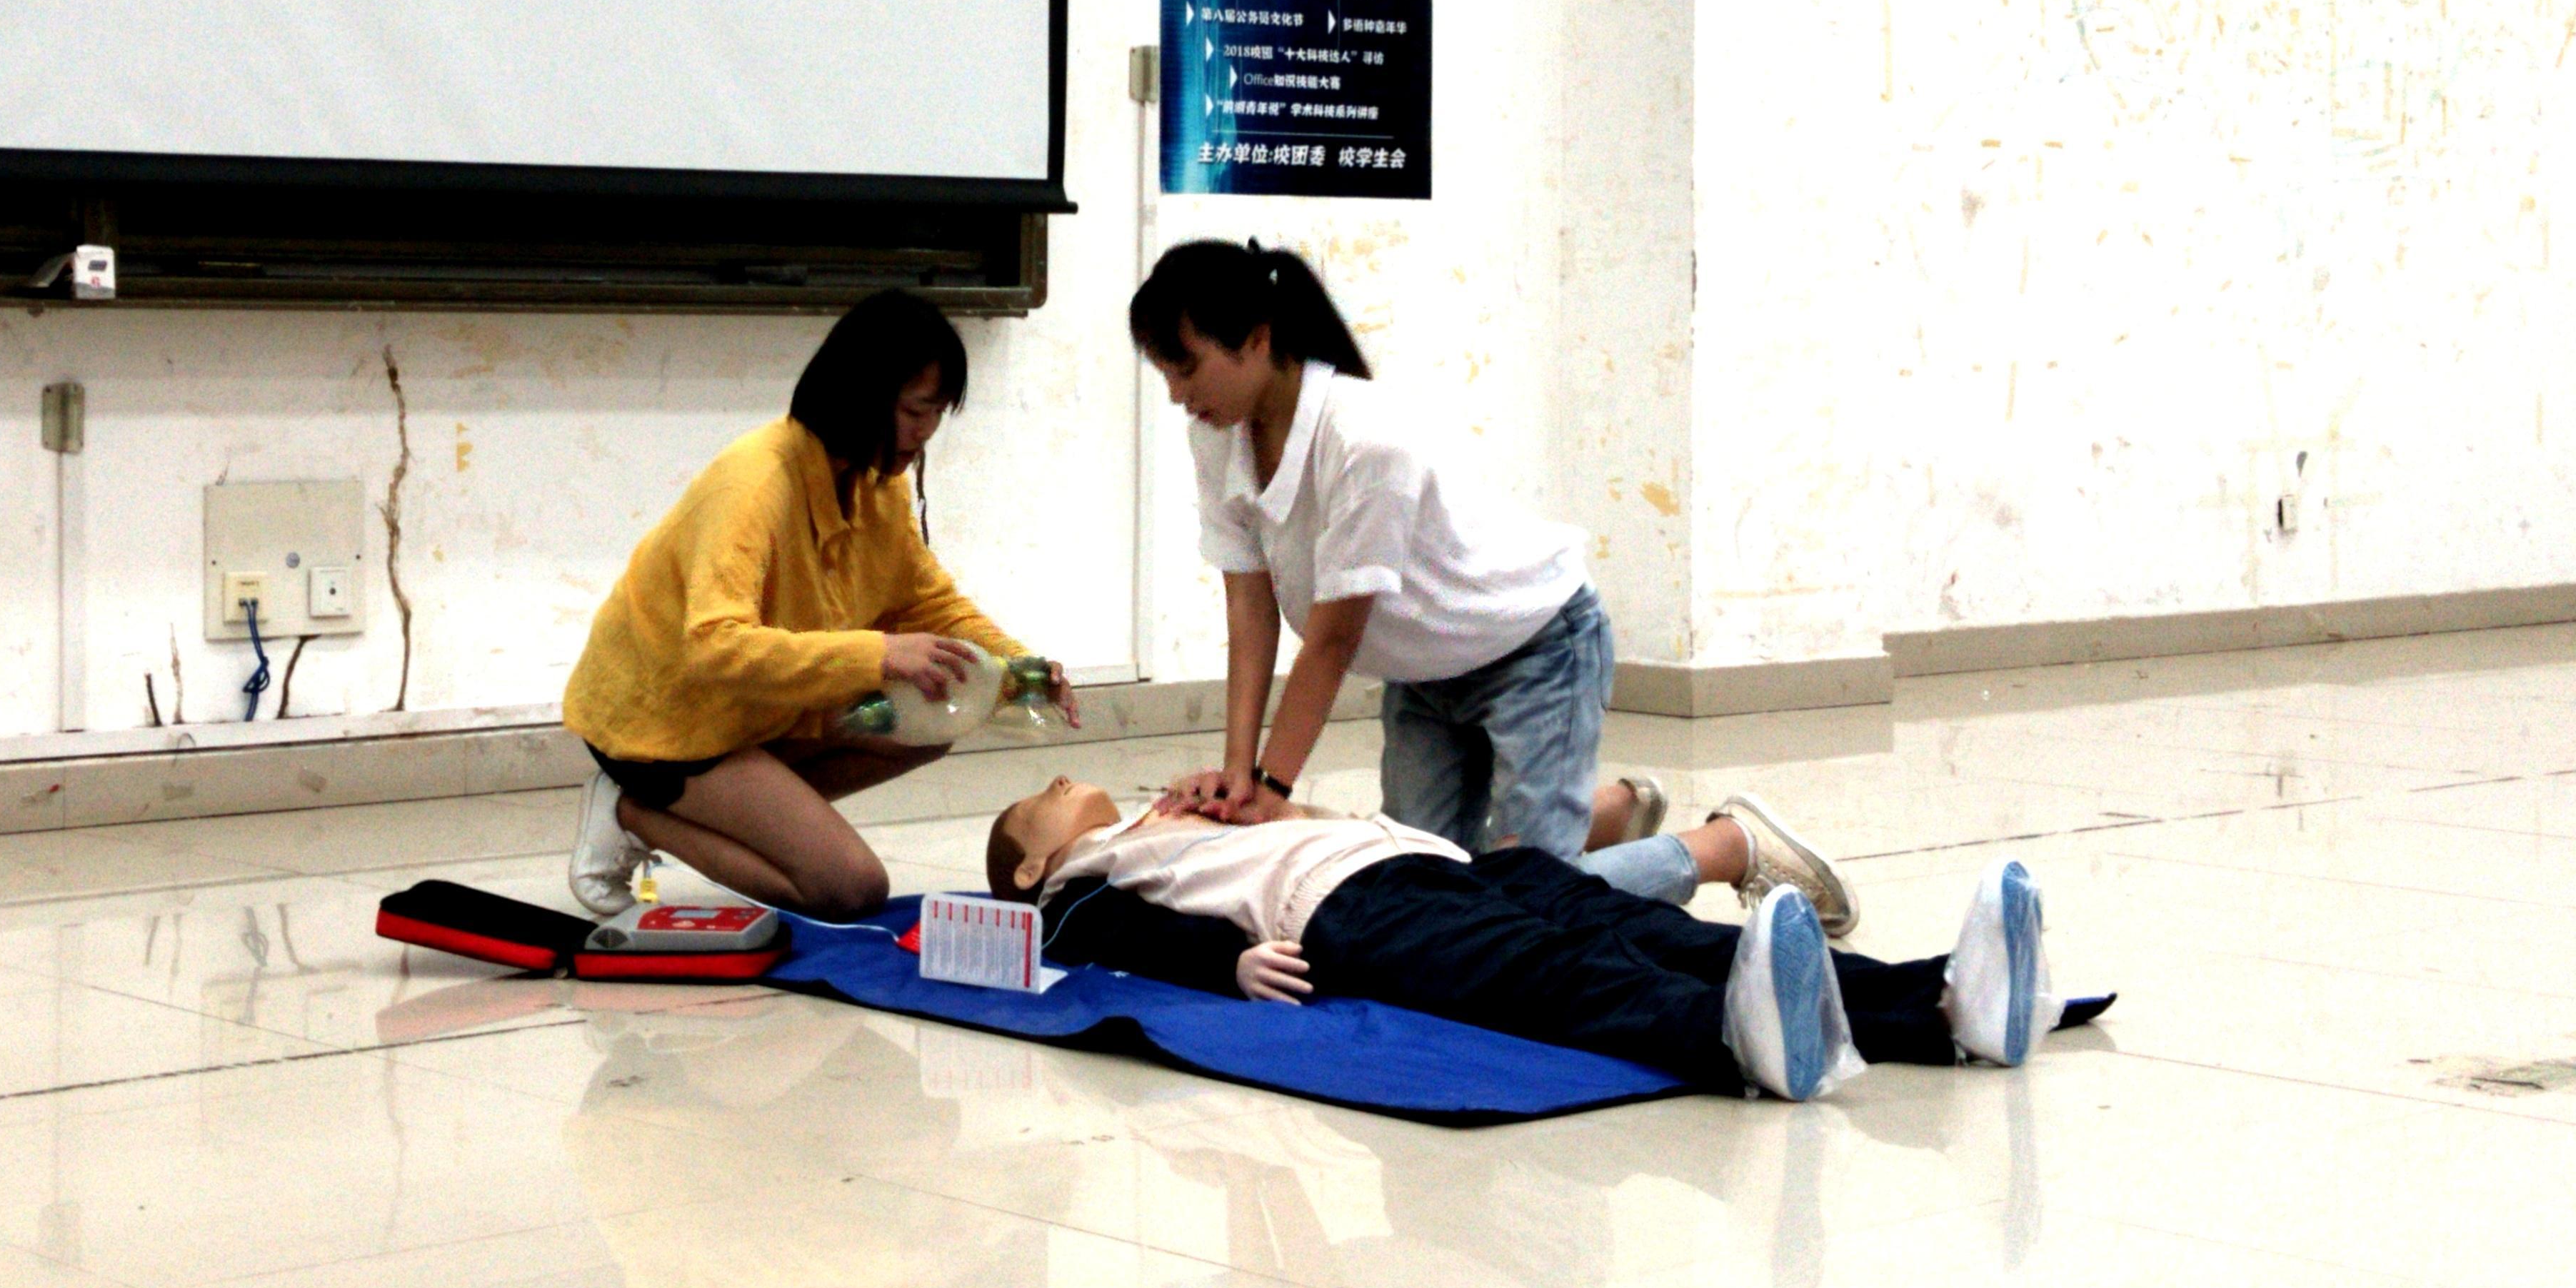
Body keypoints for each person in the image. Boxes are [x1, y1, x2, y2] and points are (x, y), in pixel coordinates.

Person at [1130, 240, 1825, 921]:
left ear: (1256, 340)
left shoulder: (1364, 438)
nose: (1176, 395)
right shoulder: (1218, 433)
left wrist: (1273, 785)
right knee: (1416, 886)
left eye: (1186, 370)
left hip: (1536, 647)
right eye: (1164, 374)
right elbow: (1249, 608)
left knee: (1526, 908)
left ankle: (1729, 845)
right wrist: (1238, 772)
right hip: (1425, 674)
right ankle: (1604, 813)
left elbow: (1333, 641)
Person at [983, 776, 2072, 1100]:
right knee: (1566, 978)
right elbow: (1100, 937)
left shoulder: (1169, 818)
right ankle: (1739, 1039)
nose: (1062, 783)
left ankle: (1945, 998)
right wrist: (1220, 964)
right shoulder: (1080, 878)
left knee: (1656, 933)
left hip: (1437, 866)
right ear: (1033, 866)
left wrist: (1263, 806)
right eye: (1040, 800)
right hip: (1348, 914)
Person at [561, 290, 1074, 919]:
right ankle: (633, 811)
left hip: (755, 713)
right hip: (670, 728)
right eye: (915, 410)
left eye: (938, 413)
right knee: (850, 889)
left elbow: (928, 600)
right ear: (860, 393)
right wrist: (878, 655)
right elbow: (713, 646)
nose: (927, 432)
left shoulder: (875, 479)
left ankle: (741, 814)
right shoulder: (753, 483)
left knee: (934, 718)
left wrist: (1021, 668)